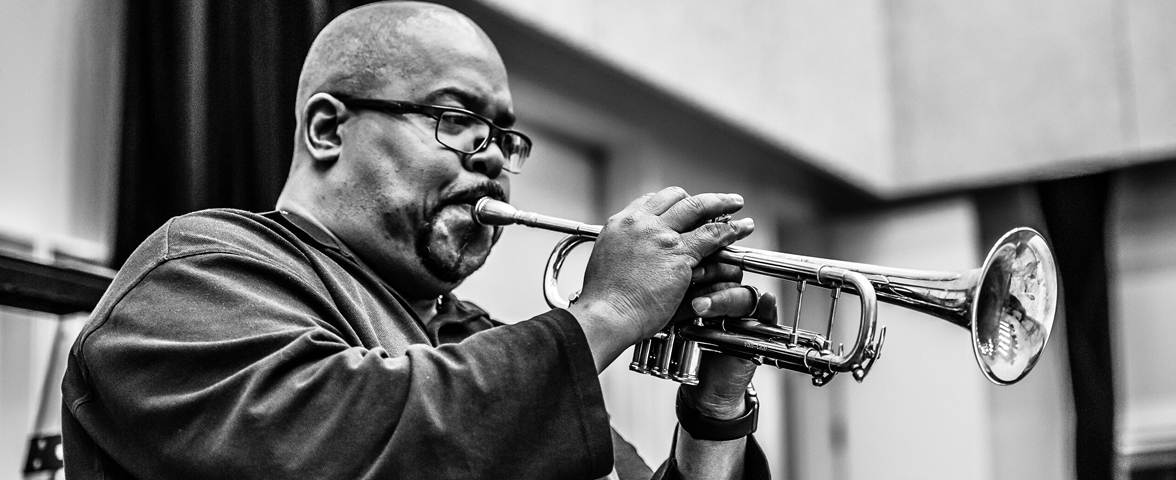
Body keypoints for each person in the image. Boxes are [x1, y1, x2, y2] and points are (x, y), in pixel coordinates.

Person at [61, 2, 775, 478]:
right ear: (328, 128)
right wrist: (610, 311)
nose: (492, 155)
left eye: (502, 134)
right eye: (455, 118)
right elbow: (333, 451)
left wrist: (715, 411)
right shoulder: (196, 272)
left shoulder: (471, 336)